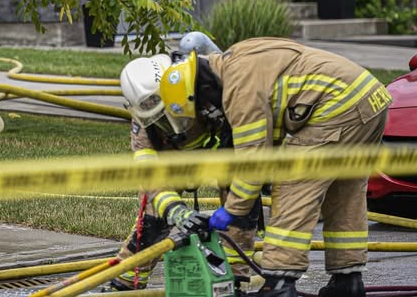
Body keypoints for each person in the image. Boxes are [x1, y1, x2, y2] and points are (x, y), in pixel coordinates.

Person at [121, 38, 392, 297]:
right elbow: (151, 182)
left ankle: (279, 285)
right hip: (369, 96)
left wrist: (231, 214)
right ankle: (347, 281)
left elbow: (253, 165)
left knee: (293, 184)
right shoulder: (152, 122)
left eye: (173, 117)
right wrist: (175, 210)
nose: (174, 129)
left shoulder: (236, 89)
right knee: (344, 192)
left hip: (335, 105)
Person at [106, 53, 256, 292]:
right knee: (153, 218)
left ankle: (234, 281)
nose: (163, 122)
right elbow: (150, 175)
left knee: (241, 208)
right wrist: (174, 210)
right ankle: (126, 282)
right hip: (174, 161)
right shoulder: (143, 125)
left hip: (225, 151)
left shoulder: (206, 85)